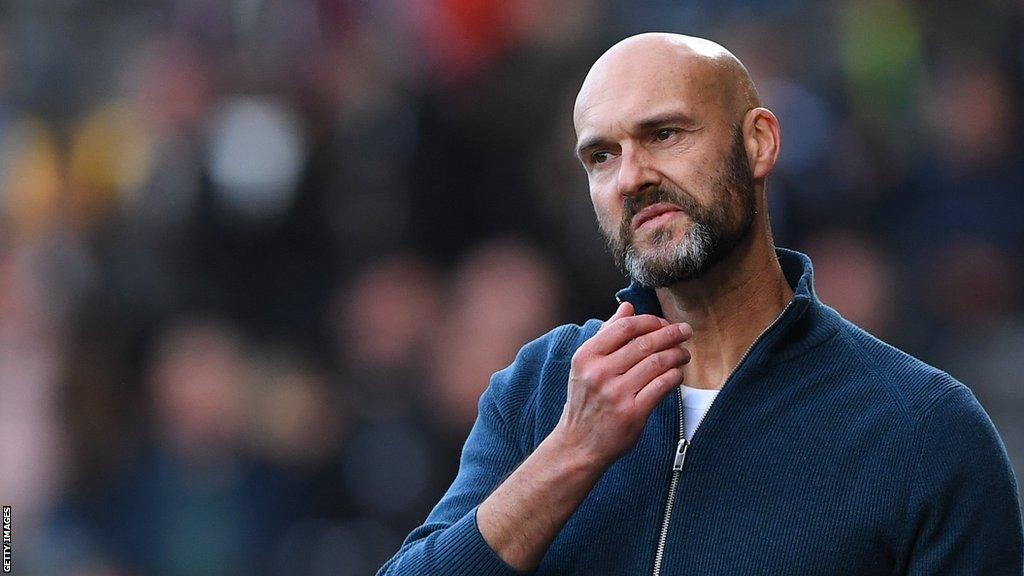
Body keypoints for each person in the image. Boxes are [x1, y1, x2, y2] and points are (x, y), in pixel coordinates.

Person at [377, 33, 1024, 575]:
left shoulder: (922, 431)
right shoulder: (541, 389)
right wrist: (571, 453)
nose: (631, 177)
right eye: (602, 156)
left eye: (664, 134)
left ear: (760, 142)